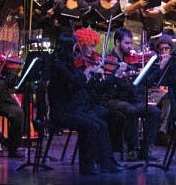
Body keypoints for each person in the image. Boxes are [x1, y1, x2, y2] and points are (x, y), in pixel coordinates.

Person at [48, 29, 123, 175]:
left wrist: (95, 75)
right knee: (92, 124)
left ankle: (105, 162)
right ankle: (87, 166)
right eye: (74, 47)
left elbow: (81, 83)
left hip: (73, 108)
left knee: (100, 123)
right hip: (62, 111)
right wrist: (87, 73)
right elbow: (76, 82)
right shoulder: (59, 65)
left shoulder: (68, 63)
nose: (75, 50)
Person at [97, 28, 161, 161]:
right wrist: (117, 74)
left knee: (154, 111)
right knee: (130, 111)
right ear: (117, 42)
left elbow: (137, 82)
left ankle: (146, 149)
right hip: (113, 99)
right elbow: (106, 86)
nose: (130, 46)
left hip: (129, 97)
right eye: (126, 43)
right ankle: (132, 149)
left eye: (131, 43)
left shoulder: (130, 59)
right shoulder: (110, 59)